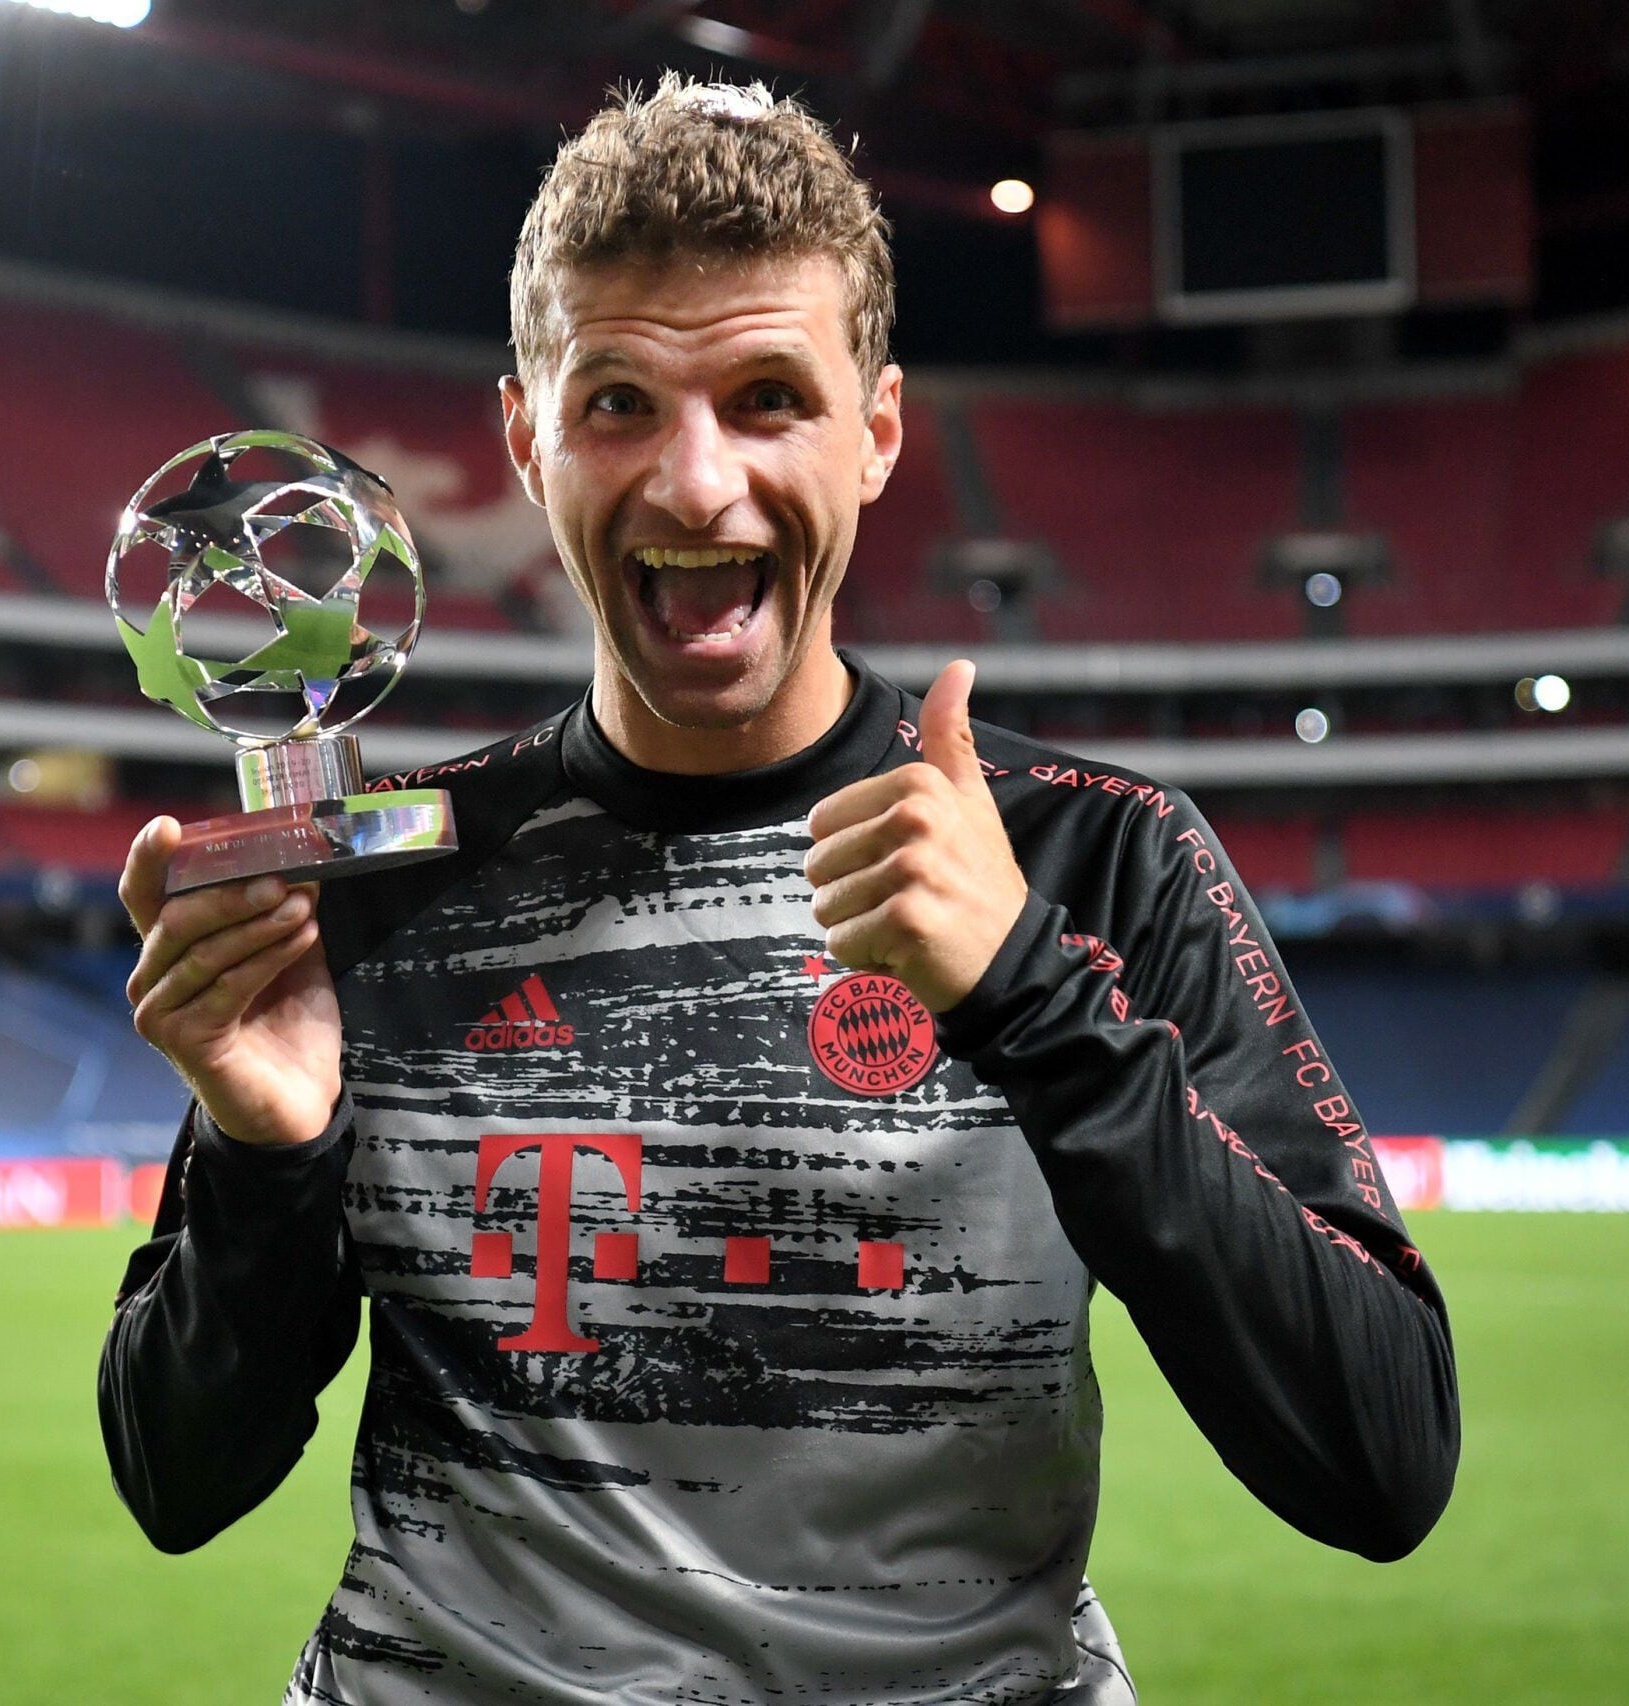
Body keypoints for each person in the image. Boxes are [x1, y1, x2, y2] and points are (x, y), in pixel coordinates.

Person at [101, 74, 1459, 1705]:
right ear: (527, 439)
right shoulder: (390, 879)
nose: (696, 486)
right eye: (618, 404)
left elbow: (1386, 1460)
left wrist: (1033, 994)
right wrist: (271, 1161)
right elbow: (175, 1482)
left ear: (876, 431)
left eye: (767, 398)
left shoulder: (1094, 853)